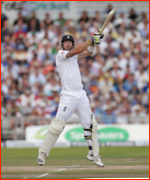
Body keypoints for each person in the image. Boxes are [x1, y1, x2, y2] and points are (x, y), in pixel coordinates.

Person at [37, 32, 105, 167]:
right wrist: (90, 40)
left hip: (81, 94)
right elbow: (79, 49)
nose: (67, 43)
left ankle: (94, 154)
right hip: (68, 96)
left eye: (70, 42)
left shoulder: (74, 57)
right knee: (58, 125)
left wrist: (94, 44)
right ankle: (43, 153)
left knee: (91, 126)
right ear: (62, 44)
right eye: (65, 42)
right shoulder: (61, 55)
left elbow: (88, 52)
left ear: (72, 44)